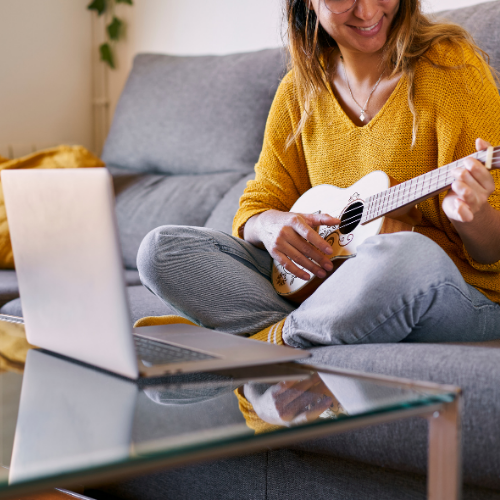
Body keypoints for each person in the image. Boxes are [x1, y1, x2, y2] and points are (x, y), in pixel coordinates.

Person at [137, 0, 500, 348]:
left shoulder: (450, 66)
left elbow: (492, 252)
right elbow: (256, 205)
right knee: (161, 250)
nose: (369, 11)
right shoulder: (298, 92)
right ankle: (319, 327)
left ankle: (270, 340)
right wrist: (270, 226)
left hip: (452, 291)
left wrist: (473, 215)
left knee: (406, 255)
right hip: (326, 286)